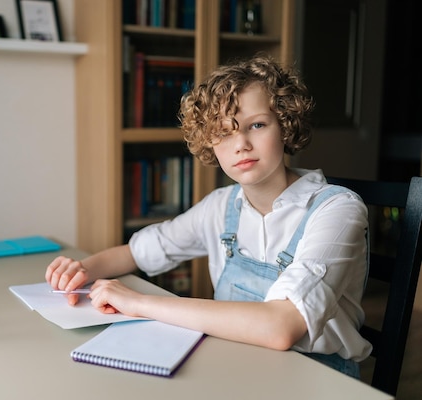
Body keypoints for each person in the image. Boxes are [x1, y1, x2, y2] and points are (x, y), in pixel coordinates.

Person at [45, 55, 371, 378]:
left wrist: (138, 302)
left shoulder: (337, 210)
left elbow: (280, 327)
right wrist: (81, 270)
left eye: (256, 125)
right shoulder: (220, 207)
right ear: (209, 143)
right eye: (224, 132)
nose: (240, 144)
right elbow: (137, 252)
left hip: (318, 378)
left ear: (285, 125)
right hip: (234, 363)